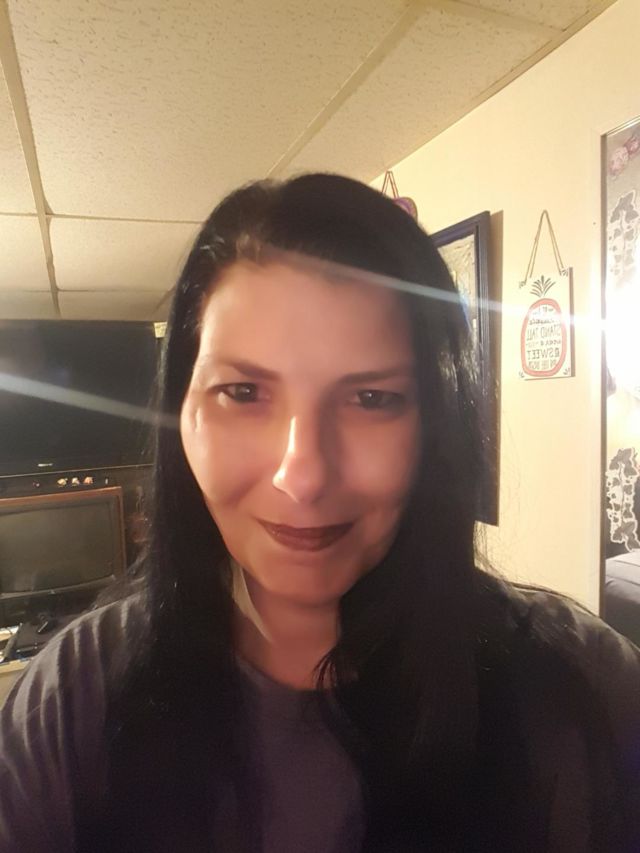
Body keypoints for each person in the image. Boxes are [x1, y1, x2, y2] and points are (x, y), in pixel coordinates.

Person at [1, 173, 639, 853]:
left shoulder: (585, 692)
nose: (301, 476)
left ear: (434, 427)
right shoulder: (70, 705)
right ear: (178, 416)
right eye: (242, 392)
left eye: (371, 399)